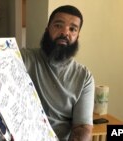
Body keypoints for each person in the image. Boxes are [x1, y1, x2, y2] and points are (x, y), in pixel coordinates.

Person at [20, 5, 94, 141]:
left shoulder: (84, 77)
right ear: (47, 30)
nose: (65, 33)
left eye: (72, 29)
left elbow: (82, 128)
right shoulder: (23, 58)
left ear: (77, 36)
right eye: (58, 25)